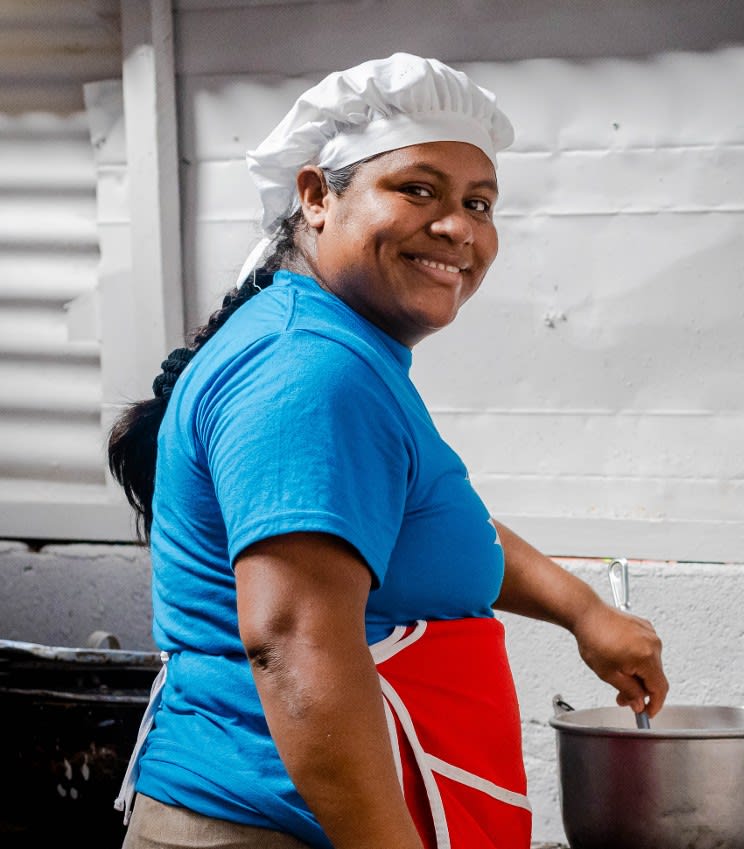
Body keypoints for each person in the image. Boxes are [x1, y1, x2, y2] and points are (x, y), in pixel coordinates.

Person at [107, 53, 668, 849]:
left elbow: (410, 526)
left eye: (480, 202)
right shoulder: (309, 371)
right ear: (316, 196)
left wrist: (583, 611)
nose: (458, 227)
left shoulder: (336, 352)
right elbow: (296, 641)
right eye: (418, 189)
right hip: (272, 827)